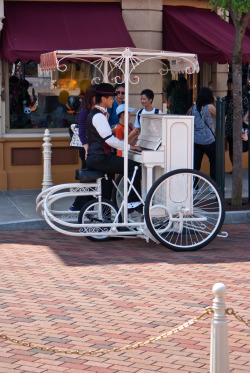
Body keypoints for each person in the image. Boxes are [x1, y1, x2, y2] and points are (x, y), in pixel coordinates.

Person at [86, 83, 142, 207]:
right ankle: (133, 202)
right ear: (104, 99)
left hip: (97, 156)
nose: (113, 100)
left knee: (107, 189)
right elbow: (110, 140)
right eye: (111, 98)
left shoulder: (98, 114)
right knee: (135, 167)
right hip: (100, 157)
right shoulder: (98, 116)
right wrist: (129, 147)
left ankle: (107, 218)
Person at [69, 85, 96, 211]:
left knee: (91, 178)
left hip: (91, 148)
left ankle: (87, 206)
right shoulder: (85, 111)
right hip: (86, 148)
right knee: (87, 177)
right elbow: (82, 132)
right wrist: (86, 149)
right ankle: (78, 205)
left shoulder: (94, 110)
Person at [191, 87, 216, 181]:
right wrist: (214, 102)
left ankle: (194, 186)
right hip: (209, 139)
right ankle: (213, 183)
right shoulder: (209, 107)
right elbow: (219, 116)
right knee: (214, 162)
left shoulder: (193, 107)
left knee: (196, 164)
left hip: (196, 139)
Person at [225, 78, 249, 167]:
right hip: (229, 125)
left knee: (238, 147)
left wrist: (245, 117)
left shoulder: (242, 97)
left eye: (231, 84)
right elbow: (225, 112)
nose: (229, 86)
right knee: (231, 147)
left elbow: (248, 108)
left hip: (239, 125)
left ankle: (237, 168)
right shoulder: (227, 98)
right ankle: (234, 167)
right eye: (228, 84)